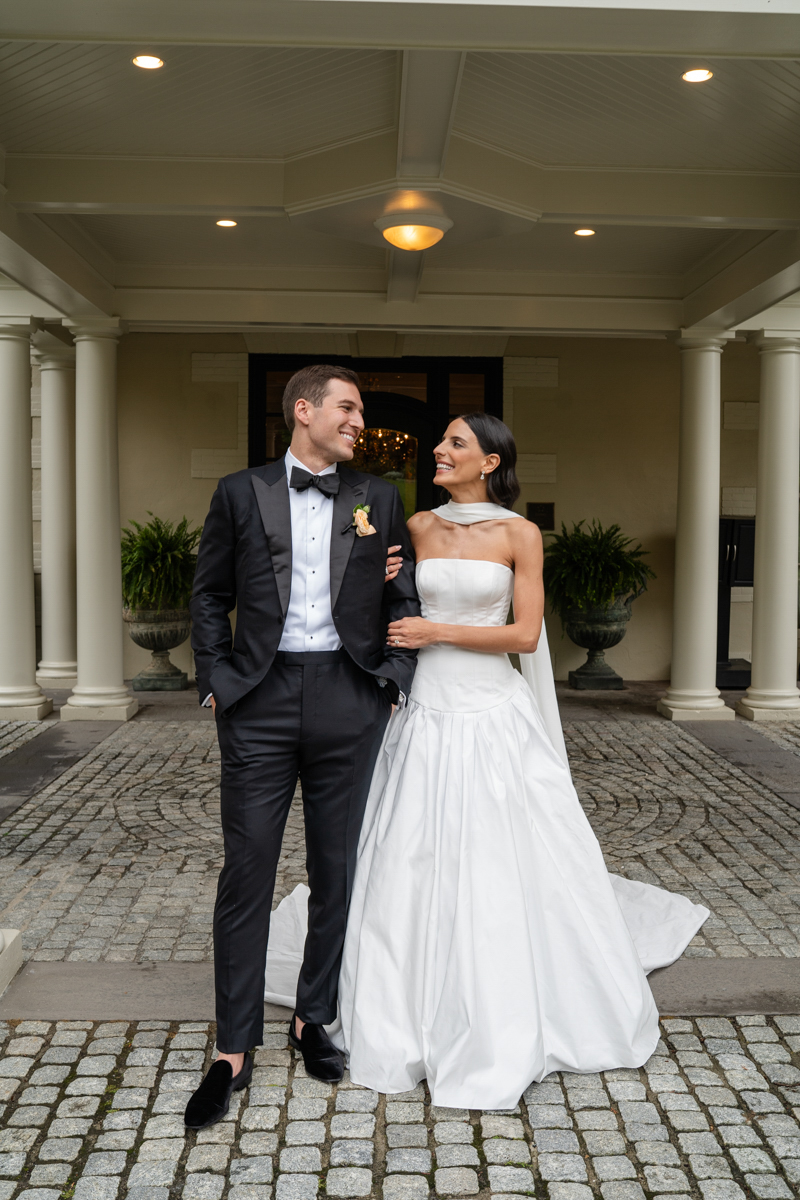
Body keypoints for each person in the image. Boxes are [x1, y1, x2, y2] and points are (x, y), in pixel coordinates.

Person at [266, 411, 708, 1110]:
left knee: (502, 855)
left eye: (455, 444)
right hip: (420, 709)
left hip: (491, 709)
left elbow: (526, 635)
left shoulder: (520, 534)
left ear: (490, 463)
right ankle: (396, 1003)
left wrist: (435, 628)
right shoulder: (413, 527)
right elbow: (377, 600)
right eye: (442, 442)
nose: (439, 451)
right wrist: (375, 584)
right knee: (407, 850)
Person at [185, 364, 420, 1129]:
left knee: (336, 870)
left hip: (350, 696)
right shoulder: (239, 491)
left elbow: (402, 593)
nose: (359, 420)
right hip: (259, 699)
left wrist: (391, 679)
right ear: (304, 410)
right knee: (247, 869)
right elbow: (209, 593)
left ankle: (311, 1018)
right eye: (348, 408)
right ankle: (233, 1046)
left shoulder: (378, 499)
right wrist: (217, 679)